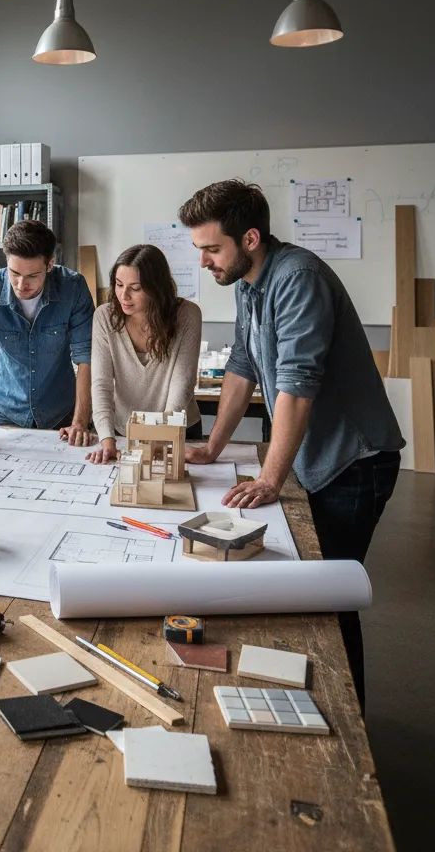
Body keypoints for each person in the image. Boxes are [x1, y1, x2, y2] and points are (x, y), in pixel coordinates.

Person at [178, 179, 403, 711]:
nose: (205, 262)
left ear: (250, 237)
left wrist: (270, 478)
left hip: (353, 462)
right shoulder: (248, 281)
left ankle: (351, 722)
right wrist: (211, 448)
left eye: (212, 248)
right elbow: (242, 367)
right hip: (316, 459)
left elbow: (299, 384)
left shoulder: (298, 277)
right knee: (309, 593)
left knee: (330, 601)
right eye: (200, 250)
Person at [0, 219, 95, 451]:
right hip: (8, 413)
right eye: (14, 273)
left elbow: (86, 357)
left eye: (32, 276)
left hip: (62, 415)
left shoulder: (73, 288)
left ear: (50, 265)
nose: (21, 285)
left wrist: (79, 422)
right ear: (6, 260)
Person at [86, 244, 203, 464]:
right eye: (119, 285)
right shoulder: (104, 317)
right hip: (124, 431)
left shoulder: (187, 315)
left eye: (135, 288)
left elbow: (182, 384)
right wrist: (107, 441)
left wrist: (160, 439)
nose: (124, 295)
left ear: (156, 288)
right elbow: (101, 384)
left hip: (177, 430)